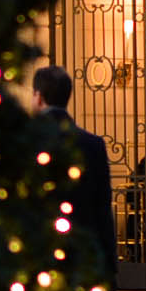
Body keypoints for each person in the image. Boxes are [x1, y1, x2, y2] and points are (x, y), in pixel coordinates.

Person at [33, 65, 117, 273]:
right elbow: (103, 208)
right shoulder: (93, 144)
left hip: (38, 252)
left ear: (39, 97)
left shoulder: (26, 141)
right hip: (81, 253)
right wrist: (110, 265)